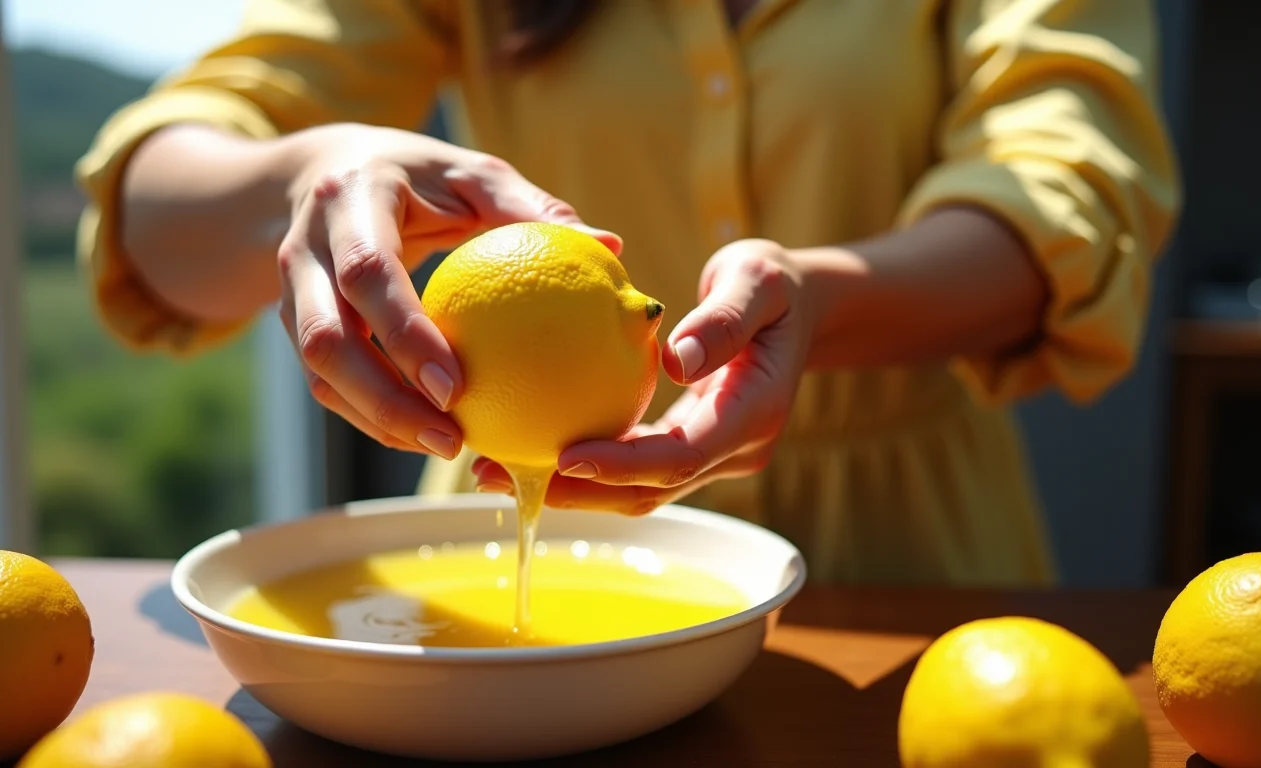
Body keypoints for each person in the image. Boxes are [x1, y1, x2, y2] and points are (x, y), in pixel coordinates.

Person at [75, 0, 1180, 586]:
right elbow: (150, 216)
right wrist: (299, 180)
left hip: (903, 563)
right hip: (517, 513)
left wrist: (820, 301)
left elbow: (1064, 201)